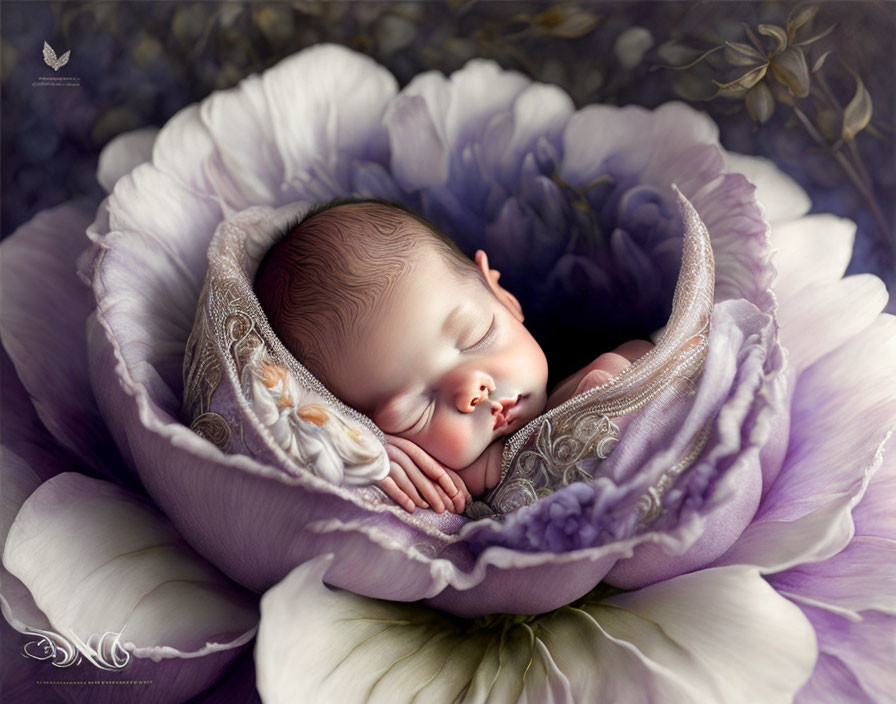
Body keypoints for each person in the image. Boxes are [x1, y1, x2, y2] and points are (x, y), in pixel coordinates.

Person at [254, 199, 652, 514]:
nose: (472, 392)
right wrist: (368, 456)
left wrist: (620, 367)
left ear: (502, 297)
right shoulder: (444, 488)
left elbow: (662, 347)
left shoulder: (575, 366)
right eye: (417, 410)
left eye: (477, 336)